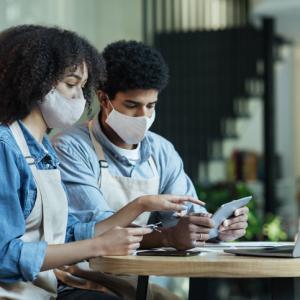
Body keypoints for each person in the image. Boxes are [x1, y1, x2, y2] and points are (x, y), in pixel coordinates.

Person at [0, 26, 197, 300]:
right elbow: (3, 256)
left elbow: (64, 233)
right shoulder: (5, 148)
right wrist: (98, 245)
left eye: (83, 87)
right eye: (70, 84)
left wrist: (140, 205)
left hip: (40, 292)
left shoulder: (42, 149)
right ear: (32, 81)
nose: (79, 99)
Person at [52, 40, 249, 298]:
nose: (143, 116)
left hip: (135, 281)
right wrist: (167, 237)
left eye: (151, 106)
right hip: (78, 280)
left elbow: (186, 217)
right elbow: (97, 230)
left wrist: (215, 227)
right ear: (104, 98)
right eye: (132, 105)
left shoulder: (161, 151)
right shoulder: (71, 147)